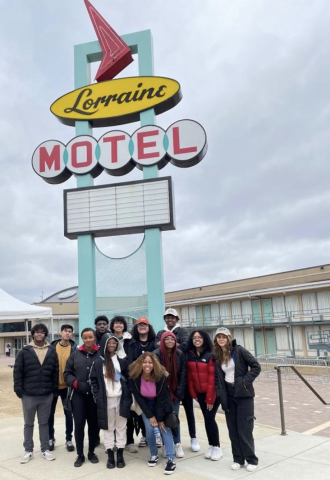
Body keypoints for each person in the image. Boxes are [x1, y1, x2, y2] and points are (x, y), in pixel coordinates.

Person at [213, 327, 261, 472]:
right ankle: (238, 459)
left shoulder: (239, 351)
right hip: (228, 394)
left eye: (224, 336)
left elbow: (256, 367)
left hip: (243, 394)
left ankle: (251, 459)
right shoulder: (218, 355)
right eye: (218, 337)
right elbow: (217, 377)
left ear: (229, 338)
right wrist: (219, 391)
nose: (221, 339)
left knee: (245, 428)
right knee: (233, 429)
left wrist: (245, 382)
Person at [13, 323, 59, 463]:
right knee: (29, 423)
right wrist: (19, 390)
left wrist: (54, 390)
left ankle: (45, 449)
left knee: (44, 423)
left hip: (46, 394)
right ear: (33, 334)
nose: (39, 334)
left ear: (45, 334)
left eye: (42, 332)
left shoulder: (51, 351)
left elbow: (55, 372)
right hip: (28, 394)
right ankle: (28, 450)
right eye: (37, 332)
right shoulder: (25, 351)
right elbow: (17, 372)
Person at [156, 308, 199, 453]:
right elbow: (157, 346)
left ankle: (193, 437)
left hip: (181, 375)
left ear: (176, 319)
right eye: (167, 317)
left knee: (188, 411)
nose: (170, 319)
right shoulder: (160, 332)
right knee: (168, 414)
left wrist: (170, 344)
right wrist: (171, 343)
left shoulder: (183, 331)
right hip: (166, 384)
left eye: (172, 317)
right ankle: (171, 442)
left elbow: (186, 345)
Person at [129, 352, 177, 475]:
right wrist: (151, 416)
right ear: (140, 364)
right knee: (150, 430)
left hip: (162, 405)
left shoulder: (160, 376)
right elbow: (140, 399)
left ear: (154, 363)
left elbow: (162, 399)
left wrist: (159, 419)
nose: (147, 365)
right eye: (144, 362)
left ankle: (171, 459)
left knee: (164, 428)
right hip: (147, 406)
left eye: (150, 362)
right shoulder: (134, 378)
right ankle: (154, 454)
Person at [90, 335, 131, 469]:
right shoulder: (98, 362)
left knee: (121, 427)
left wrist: (128, 396)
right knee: (108, 428)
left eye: (114, 343)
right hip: (106, 400)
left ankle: (120, 454)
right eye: (109, 343)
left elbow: (128, 379)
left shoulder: (122, 361)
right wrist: (97, 396)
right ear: (104, 344)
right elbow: (93, 381)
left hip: (120, 399)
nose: (112, 345)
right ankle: (109, 455)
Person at [63, 327, 100, 467]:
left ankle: (91, 452)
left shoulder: (100, 354)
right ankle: (80, 454)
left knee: (93, 426)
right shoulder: (75, 354)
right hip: (78, 396)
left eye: (90, 337)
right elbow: (67, 373)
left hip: (94, 397)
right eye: (85, 337)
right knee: (79, 425)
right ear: (82, 339)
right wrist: (76, 383)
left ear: (94, 337)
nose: (88, 340)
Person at [186, 329, 222, 461]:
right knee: (207, 419)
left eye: (199, 337)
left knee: (210, 418)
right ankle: (211, 445)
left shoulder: (211, 355)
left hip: (212, 394)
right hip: (200, 394)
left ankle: (217, 446)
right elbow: (189, 376)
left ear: (204, 339)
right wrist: (193, 393)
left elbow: (213, 378)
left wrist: (210, 398)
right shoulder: (190, 354)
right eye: (194, 337)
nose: (196, 339)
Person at [154, 331, 186, 458]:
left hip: (175, 392)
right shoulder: (156, 354)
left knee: (174, 418)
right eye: (166, 339)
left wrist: (179, 392)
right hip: (161, 393)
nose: (169, 341)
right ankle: (167, 444)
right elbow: (154, 375)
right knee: (161, 419)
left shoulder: (179, 354)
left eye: (172, 339)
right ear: (162, 341)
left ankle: (177, 443)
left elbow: (183, 374)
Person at [127, 317, 158, 448]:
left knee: (153, 408)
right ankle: (145, 435)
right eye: (139, 325)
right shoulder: (132, 343)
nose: (142, 327)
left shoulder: (154, 342)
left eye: (145, 324)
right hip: (138, 380)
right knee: (140, 409)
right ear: (136, 327)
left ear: (149, 327)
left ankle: (155, 435)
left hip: (153, 379)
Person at [48, 324, 77, 452]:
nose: (68, 334)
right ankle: (50, 438)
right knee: (50, 414)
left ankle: (68, 439)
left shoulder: (75, 349)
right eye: (65, 331)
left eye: (70, 332)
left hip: (68, 387)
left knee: (69, 414)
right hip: (53, 386)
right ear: (60, 333)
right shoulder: (52, 348)